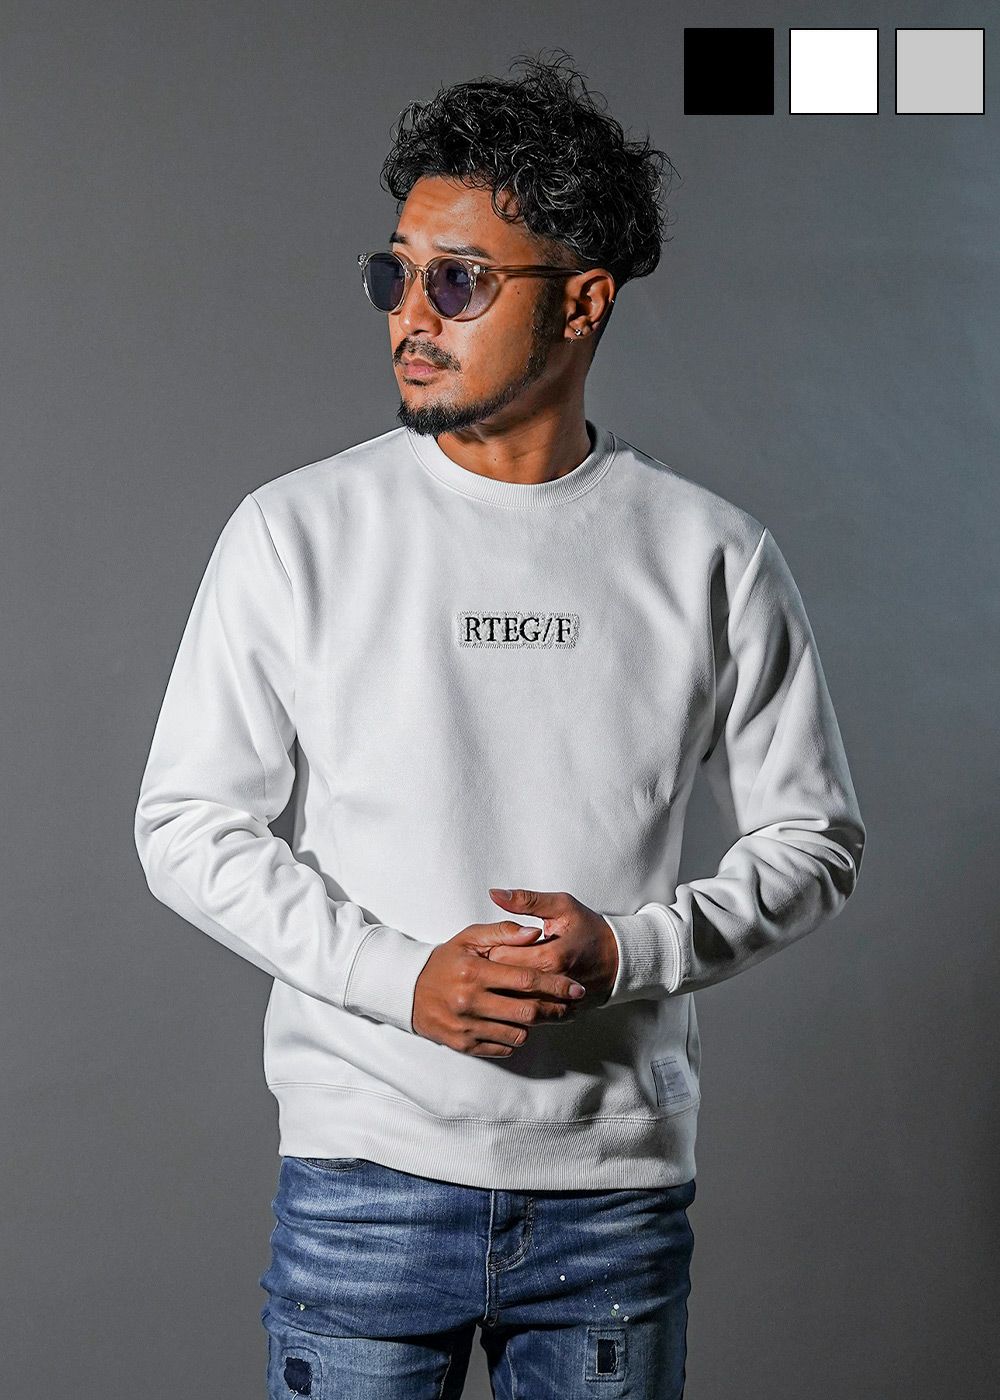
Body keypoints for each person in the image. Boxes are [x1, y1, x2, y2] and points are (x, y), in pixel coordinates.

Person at [134, 49, 866, 1400]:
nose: (411, 316)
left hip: (613, 1199)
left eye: (458, 281)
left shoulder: (711, 556)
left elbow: (815, 840)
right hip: (363, 1177)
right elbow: (186, 824)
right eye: (395, 274)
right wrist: (399, 978)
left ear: (582, 303)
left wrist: (634, 950)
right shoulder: (297, 531)